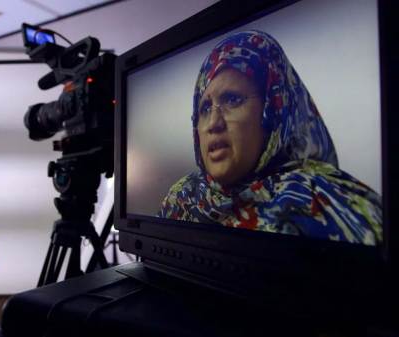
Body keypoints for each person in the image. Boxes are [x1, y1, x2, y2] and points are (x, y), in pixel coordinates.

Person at [158, 30, 382, 245]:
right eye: (205, 108)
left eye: (233, 99)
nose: (214, 123)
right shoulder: (184, 197)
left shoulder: (324, 200)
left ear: (274, 110)